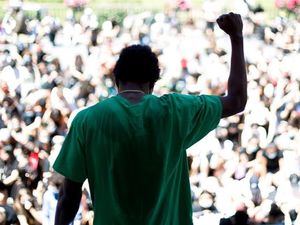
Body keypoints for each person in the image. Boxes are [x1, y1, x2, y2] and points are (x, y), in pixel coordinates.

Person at [53, 12, 247, 225]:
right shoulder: (176, 111)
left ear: (116, 81)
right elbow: (237, 101)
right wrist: (236, 38)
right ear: (152, 84)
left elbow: (68, 196)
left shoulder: (87, 121)